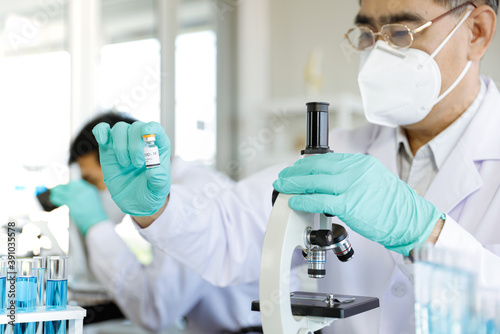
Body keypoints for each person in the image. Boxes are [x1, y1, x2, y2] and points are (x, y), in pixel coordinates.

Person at [92, 0, 500, 332]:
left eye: (399, 33)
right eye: (367, 35)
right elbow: (231, 230)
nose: (380, 54)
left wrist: (428, 233)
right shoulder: (339, 151)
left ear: (476, 31)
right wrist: (156, 207)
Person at [49, 112, 265, 333]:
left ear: (127, 160)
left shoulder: (191, 198)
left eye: (94, 182)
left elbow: (155, 311)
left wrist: (96, 226)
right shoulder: (183, 186)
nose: (93, 193)